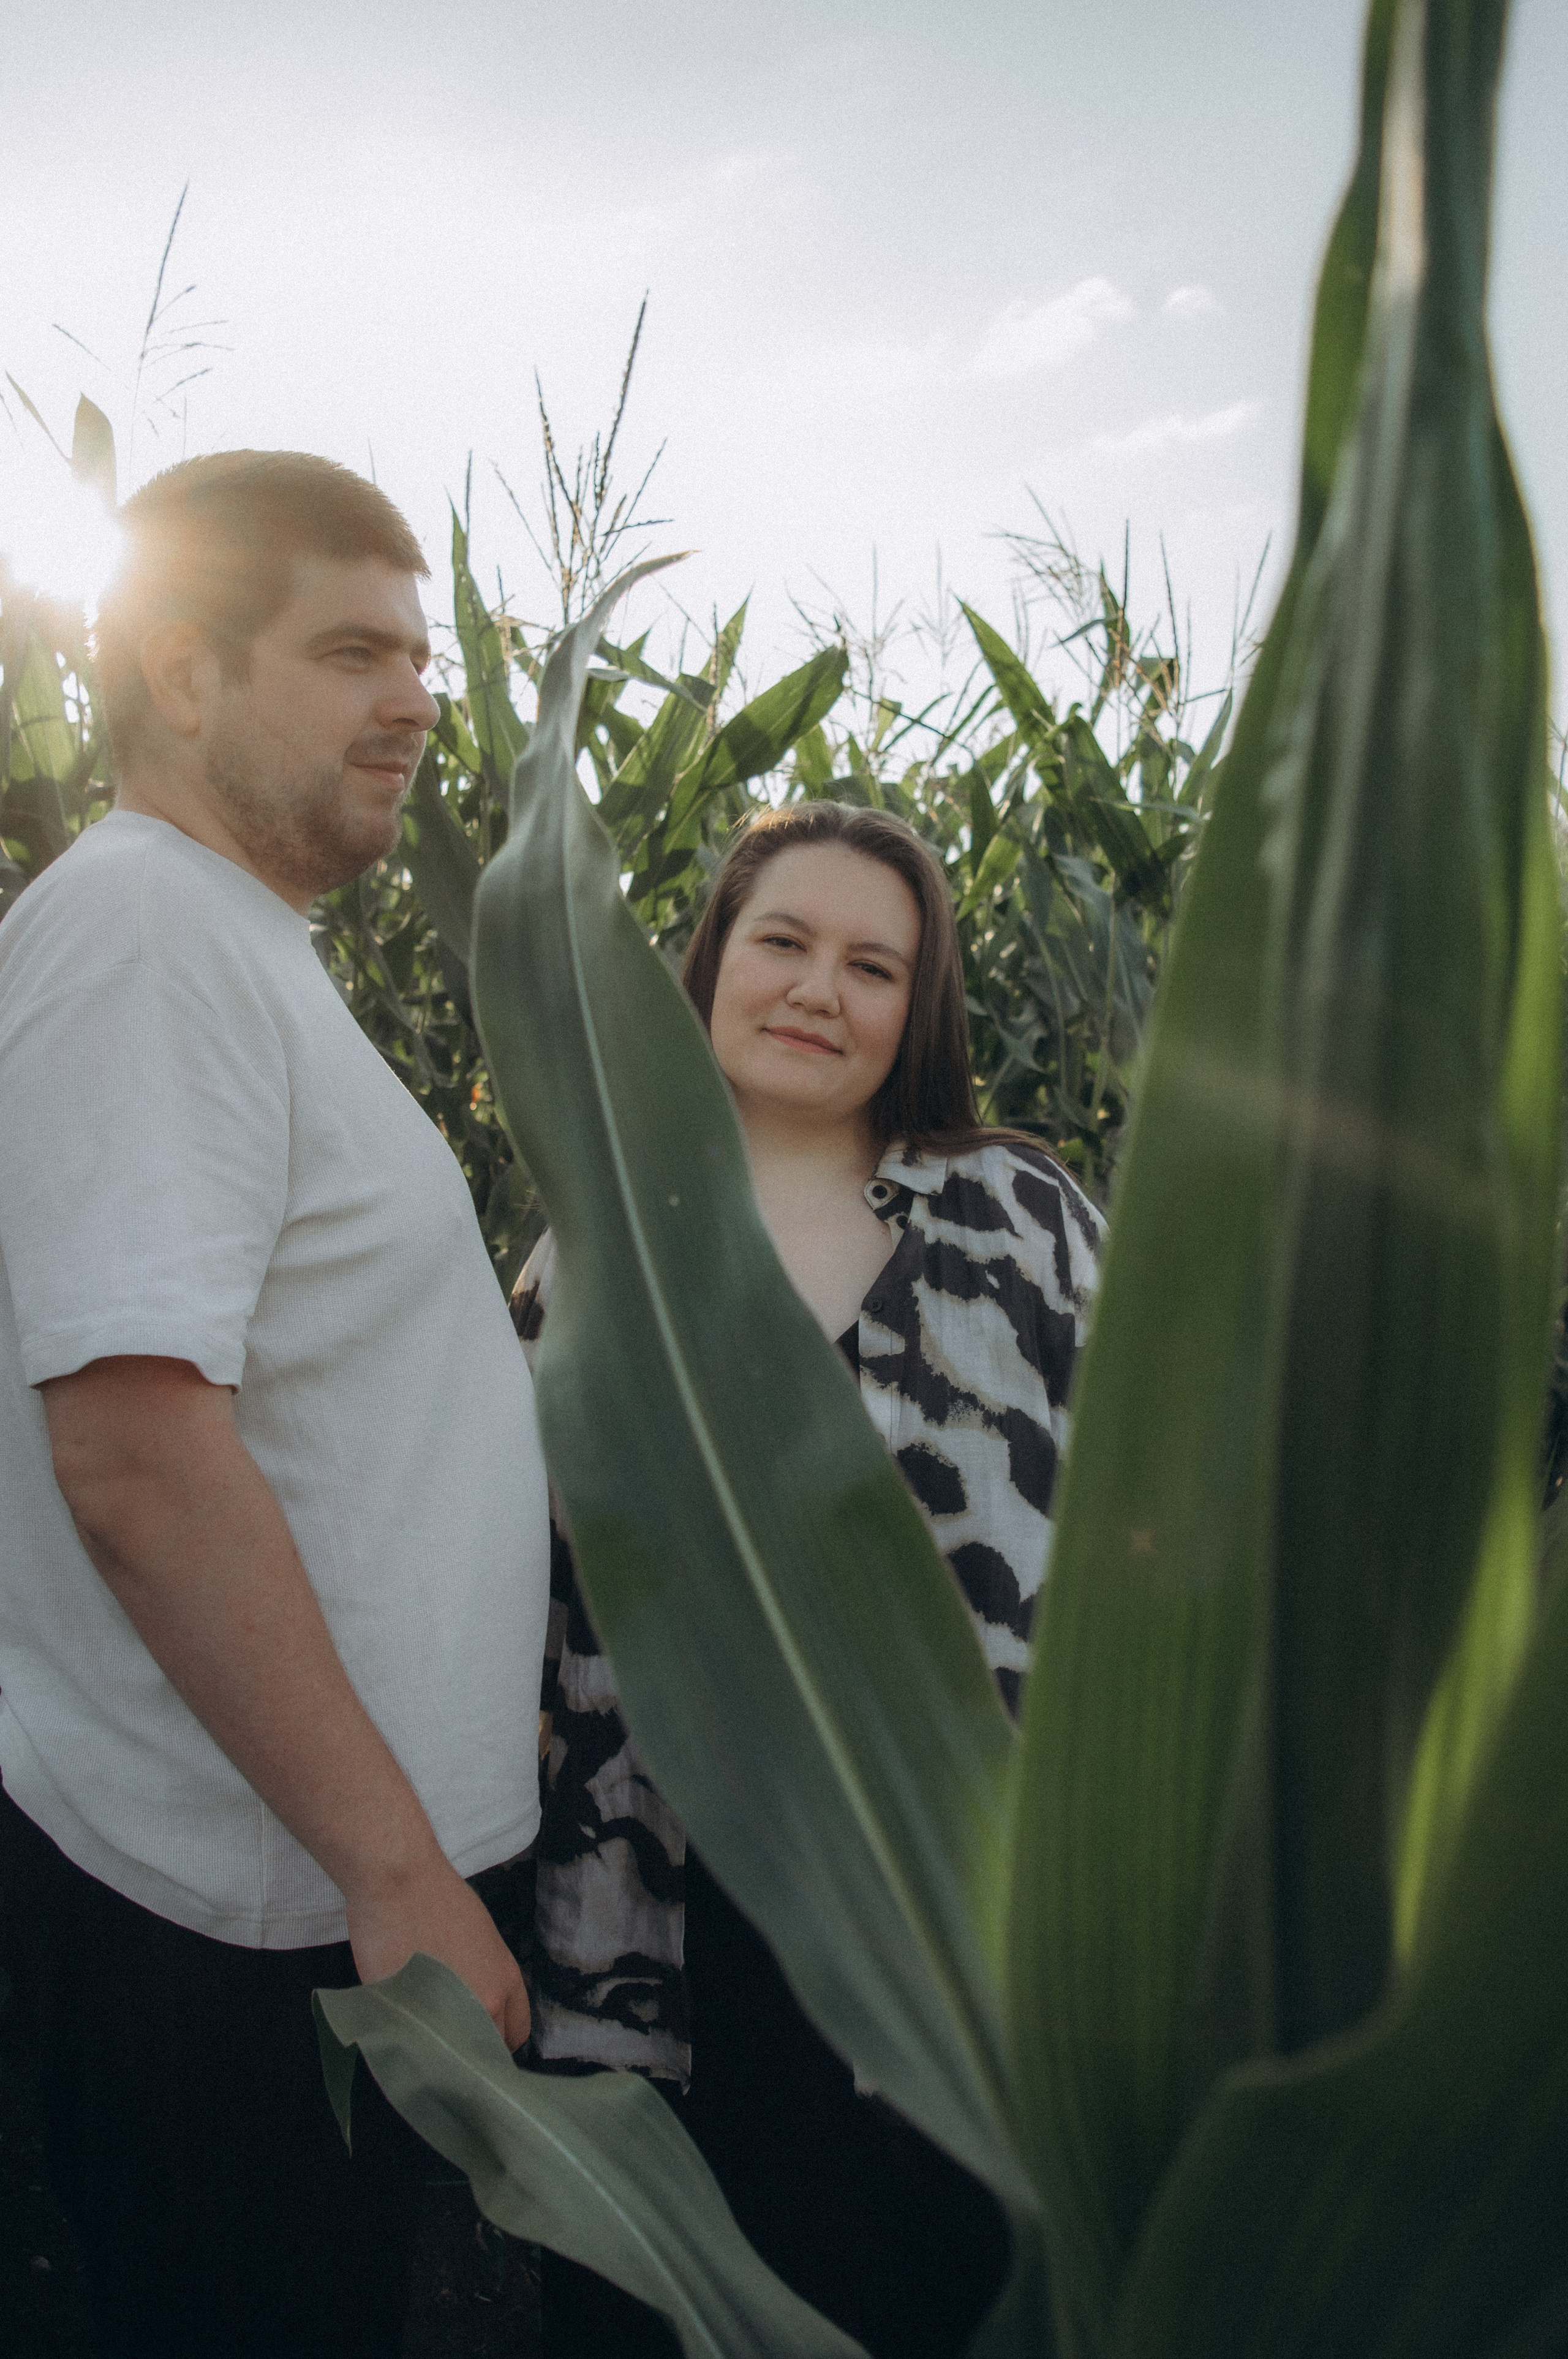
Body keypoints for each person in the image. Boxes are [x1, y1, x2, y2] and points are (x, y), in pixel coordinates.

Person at [0, 451, 551, 2359]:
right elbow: (139, 1453)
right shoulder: (144, 932)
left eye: (421, 653)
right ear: (179, 671)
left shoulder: (232, 944)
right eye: (349, 651)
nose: (415, 696)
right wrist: (396, 1866)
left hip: (303, 1906)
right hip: (250, 1936)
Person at [514, 799, 1106, 2358]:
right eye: (781, 942)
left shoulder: (1019, 1219)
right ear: (706, 963)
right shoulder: (586, 1257)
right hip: (675, 1917)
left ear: (916, 1011)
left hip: (957, 1926)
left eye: (871, 966)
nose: (816, 991)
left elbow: (1141, 1529)